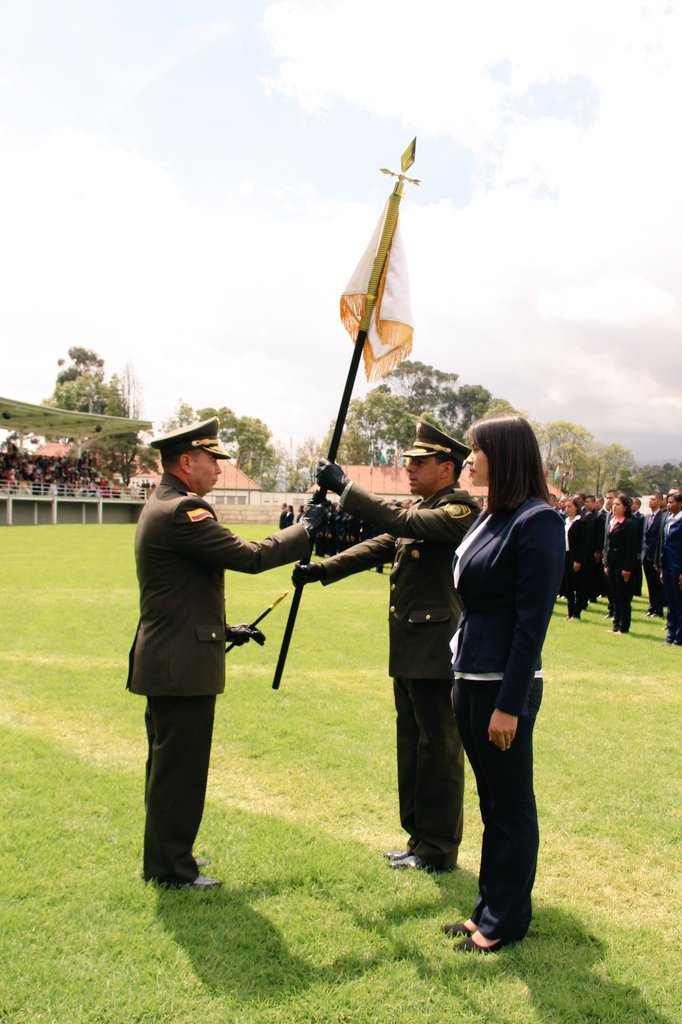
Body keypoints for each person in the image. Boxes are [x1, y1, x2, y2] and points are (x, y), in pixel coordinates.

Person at [127, 418, 325, 888]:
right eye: (213, 460)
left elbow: (179, 592)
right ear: (185, 462)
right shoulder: (184, 511)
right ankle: (172, 868)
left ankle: (169, 856)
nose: (220, 469)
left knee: (168, 766)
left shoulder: (164, 505)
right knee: (180, 770)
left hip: (171, 655)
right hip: (180, 664)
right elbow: (250, 557)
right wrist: (304, 529)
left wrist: (222, 629)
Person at [294, 421, 479, 873]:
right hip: (410, 647)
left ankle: (438, 848)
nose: (409, 468)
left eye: (419, 462)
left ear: (447, 468)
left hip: (437, 650)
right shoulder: (424, 507)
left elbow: (398, 522)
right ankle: (418, 838)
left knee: (439, 749)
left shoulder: (459, 510)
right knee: (412, 743)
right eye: (409, 461)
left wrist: (346, 488)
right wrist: (324, 570)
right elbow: (380, 544)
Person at [443, 414, 564, 953]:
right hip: (469, 676)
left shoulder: (537, 521)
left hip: (502, 687)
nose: (467, 459)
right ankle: (487, 907)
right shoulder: (492, 514)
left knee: (511, 803)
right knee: (491, 800)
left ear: (504, 453)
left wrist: (510, 704)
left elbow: (530, 622)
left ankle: (506, 920)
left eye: (475, 449)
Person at [604, 493, 636, 635]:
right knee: (614, 595)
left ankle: (624, 627)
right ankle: (615, 625)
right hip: (611, 563)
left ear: (625, 508)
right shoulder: (611, 520)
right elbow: (607, 544)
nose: (614, 506)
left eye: (618, 504)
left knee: (623, 596)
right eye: (614, 504)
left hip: (622, 564)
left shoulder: (628, 523)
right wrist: (606, 563)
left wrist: (627, 568)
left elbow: (631, 547)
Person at [660, 490, 682, 646]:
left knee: (679, 601)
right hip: (667, 565)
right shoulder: (668, 519)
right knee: (671, 601)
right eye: (667, 502)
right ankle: (671, 633)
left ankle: (679, 636)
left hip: (678, 566)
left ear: (680, 504)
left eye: (671, 502)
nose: (668, 504)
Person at [560, 497, 587, 620]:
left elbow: (583, 543)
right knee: (568, 585)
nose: (567, 509)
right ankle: (570, 612)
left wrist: (578, 560)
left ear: (576, 507)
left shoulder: (581, 522)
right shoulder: (566, 521)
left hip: (575, 556)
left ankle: (577, 612)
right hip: (566, 555)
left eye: (570, 506)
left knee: (578, 585)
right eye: (566, 507)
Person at [642, 493, 666, 618]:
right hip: (646, 555)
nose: (650, 501)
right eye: (649, 499)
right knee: (650, 583)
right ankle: (651, 607)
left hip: (655, 556)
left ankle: (658, 609)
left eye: (653, 499)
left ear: (661, 501)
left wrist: (658, 558)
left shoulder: (662, 517)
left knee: (657, 584)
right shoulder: (647, 517)